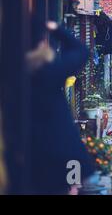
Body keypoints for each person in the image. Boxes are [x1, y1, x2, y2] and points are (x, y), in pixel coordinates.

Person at [27, 19, 95, 194]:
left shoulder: (13, 75)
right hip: (64, 155)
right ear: (42, 44)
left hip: (30, 159)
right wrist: (55, 28)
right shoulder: (50, 73)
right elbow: (81, 50)